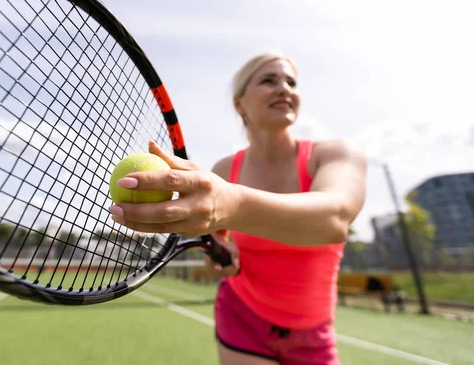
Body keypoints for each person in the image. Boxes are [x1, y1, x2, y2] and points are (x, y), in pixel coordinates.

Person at [108, 51, 367, 364]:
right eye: (268, 80)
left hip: (314, 330)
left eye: (291, 82)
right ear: (239, 103)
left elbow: (335, 219)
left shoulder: (336, 154)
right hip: (242, 315)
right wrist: (218, 254)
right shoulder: (224, 170)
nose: (284, 88)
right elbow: (218, 241)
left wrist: (232, 203)